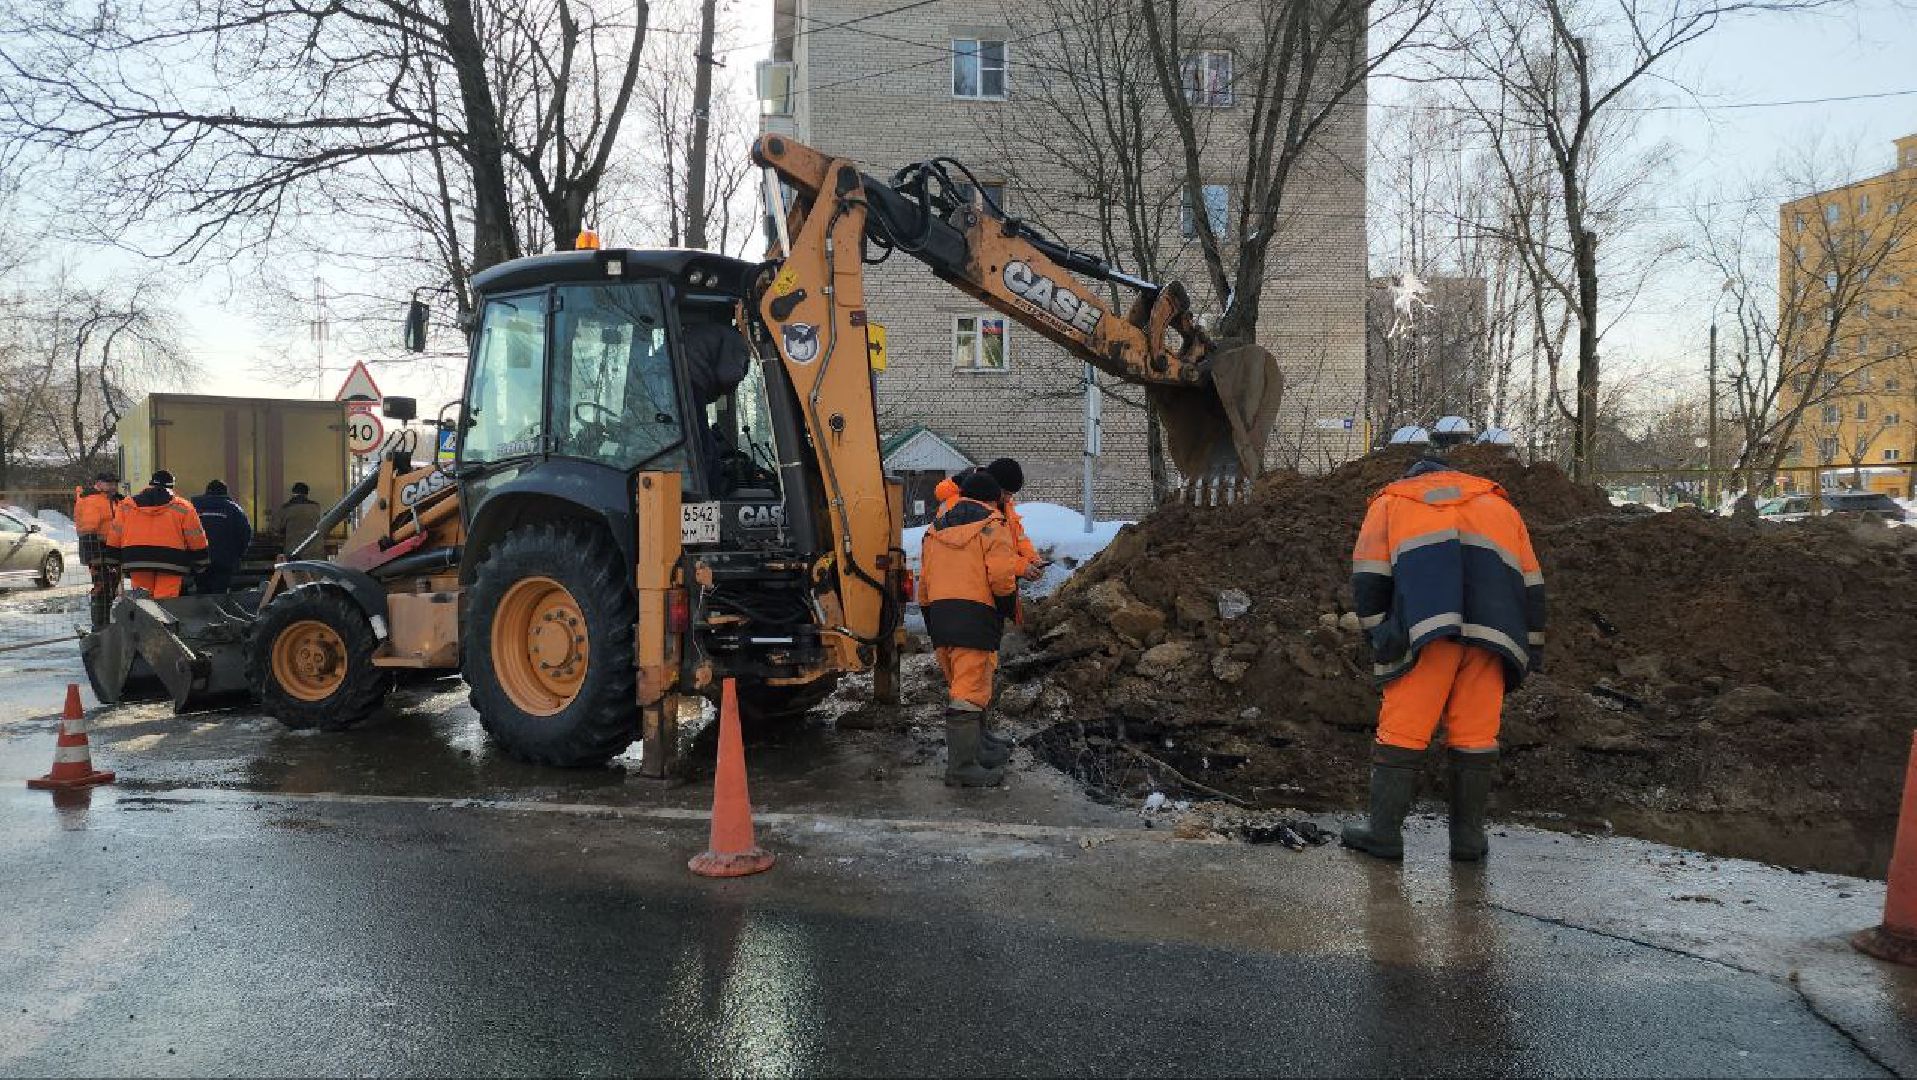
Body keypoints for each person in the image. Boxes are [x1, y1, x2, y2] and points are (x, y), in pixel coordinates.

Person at [1341, 450, 1546, 862]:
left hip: (1426, 632)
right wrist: (1531, 647)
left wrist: (1381, 635)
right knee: (1475, 733)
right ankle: (1468, 840)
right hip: (1493, 634)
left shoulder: (1391, 502)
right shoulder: (1499, 507)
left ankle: (1384, 833)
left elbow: (1369, 579)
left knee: (1404, 729)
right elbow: (1531, 584)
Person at [918, 470, 1020, 787]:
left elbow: (924, 581)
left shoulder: (935, 529)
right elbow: (1001, 578)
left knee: (963, 684)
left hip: (940, 614)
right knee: (969, 689)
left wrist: (930, 617)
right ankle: (962, 768)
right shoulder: (992, 526)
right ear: (992, 499)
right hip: (975, 613)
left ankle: (977, 750)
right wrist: (1006, 607)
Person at [105, 470, 209, 600]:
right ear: (171, 486)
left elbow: (116, 532)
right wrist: (201, 561)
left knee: (143, 599)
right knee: (166, 600)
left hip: (137, 558)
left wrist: (112, 558)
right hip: (171, 560)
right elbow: (195, 536)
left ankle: (145, 612)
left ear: (150, 484)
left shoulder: (127, 505)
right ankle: (162, 613)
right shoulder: (184, 507)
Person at [73, 471, 124, 629]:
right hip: (98, 550)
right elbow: (87, 529)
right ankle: (100, 626)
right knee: (102, 589)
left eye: (115, 484)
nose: (113, 487)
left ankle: (104, 623)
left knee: (111, 588)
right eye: (109, 483)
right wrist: (94, 553)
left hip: (113, 550)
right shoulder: (92, 500)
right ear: (99, 483)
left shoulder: (114, 500)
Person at [190, 479, 253, 594]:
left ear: (207, 492)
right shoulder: (234, 509)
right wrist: (237, 555)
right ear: (225, 493)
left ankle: (202, 603)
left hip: (199, 558)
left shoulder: (192, 508)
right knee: (220, 591)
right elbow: (245, 534)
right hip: (224, 560)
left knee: (202, 590)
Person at [274, 482, 324, 556]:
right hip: (315, 551)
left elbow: (275, 528)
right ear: (306, 494)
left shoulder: (286, 508)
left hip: (295, 551)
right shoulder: (316, 507)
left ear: (293, 493)